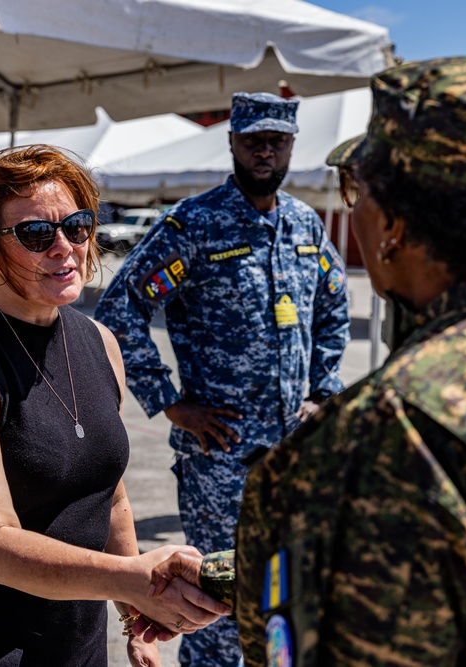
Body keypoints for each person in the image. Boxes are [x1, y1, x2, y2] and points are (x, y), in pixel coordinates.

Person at [150, 57, 466, 665]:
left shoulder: (386, 433)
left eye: (357, 194)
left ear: (393, 225)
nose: (352, 214)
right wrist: (221, 578)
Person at [0, 144, 231, 667]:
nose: (65, 247)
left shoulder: (99, 341)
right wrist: (137, 579)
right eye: (37, 234)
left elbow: (107, 497)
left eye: (79, 226)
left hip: (73, 640)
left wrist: (136, 612)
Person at [94, 91, 351, 665]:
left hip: (292, 450)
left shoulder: (307, 225)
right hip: (221, 452)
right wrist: (169, 402)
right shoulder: (194, 224)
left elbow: (334, 308)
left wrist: (322, 392)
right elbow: (119, 312)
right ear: (232, 141)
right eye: (253, 140)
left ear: (290, 146)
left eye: (276, 141)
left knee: (285, 587)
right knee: (213, 597)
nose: (264, 151)